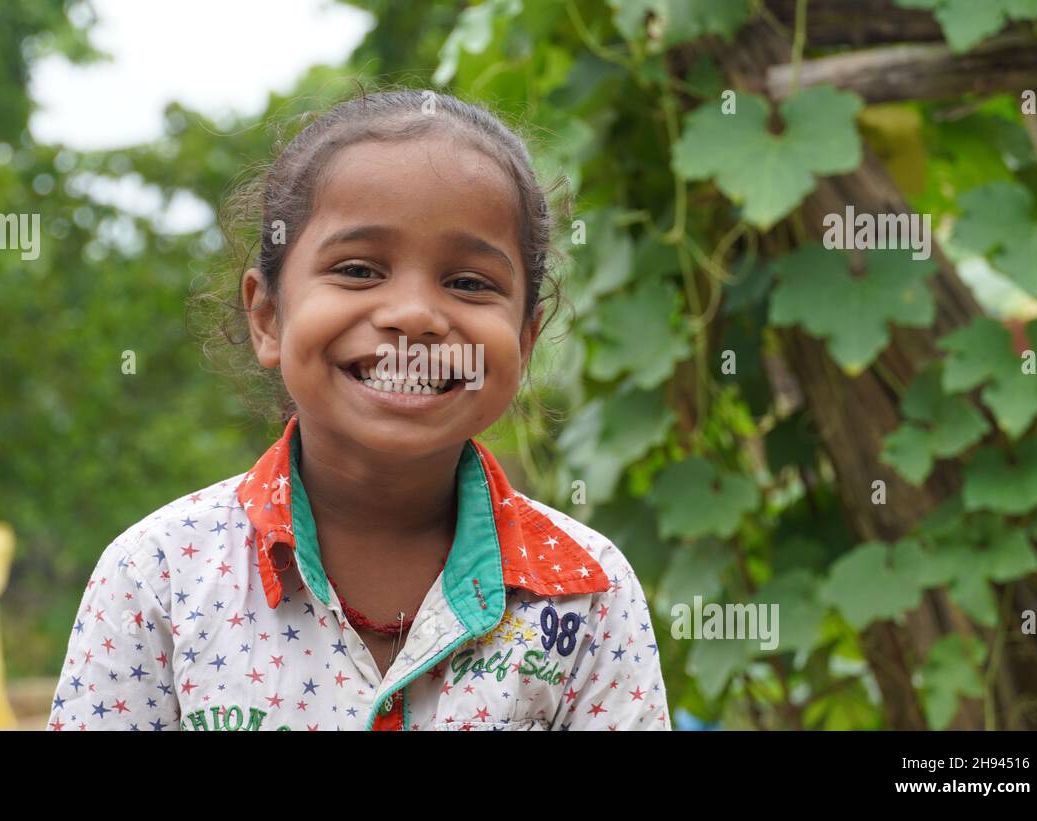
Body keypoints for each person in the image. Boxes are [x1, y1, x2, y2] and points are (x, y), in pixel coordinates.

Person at [47, 88, 670, 731]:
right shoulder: (160, 577)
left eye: (468, 283)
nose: (413, 315)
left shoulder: (586, 591)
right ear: (267, 317)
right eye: (358, 269)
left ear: (525, 338)